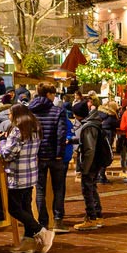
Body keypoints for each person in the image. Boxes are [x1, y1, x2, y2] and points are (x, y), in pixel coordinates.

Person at [0, 103, 56, 253]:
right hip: (30, 173)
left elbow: (8, 154)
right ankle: (29, 241)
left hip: (18, 174)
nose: (9, 116)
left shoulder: (17, 130)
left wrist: (2, 142)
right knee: (25, 207)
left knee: (14, 208)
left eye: (10, 114)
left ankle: (42, 231)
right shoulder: (35, 129)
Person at [30, 82, 72, 232]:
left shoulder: (30, 110)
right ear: (48, 94)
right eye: (53, 94)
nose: (55, 97)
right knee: (59, 188)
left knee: (40, 189)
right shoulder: (58, 111)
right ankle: (58, 221)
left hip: (37, 155)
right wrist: (60, 153)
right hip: (54, 156)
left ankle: (42, 223)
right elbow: (60, 134)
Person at [72, 100, 110, 230]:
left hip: (91, 162)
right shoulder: (94, 123)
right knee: (92, 188)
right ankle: (98, 216)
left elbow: (89, 149)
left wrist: (84, 168)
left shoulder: (88, 127)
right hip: (97, 161)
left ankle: (91, 218)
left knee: (87, 189)